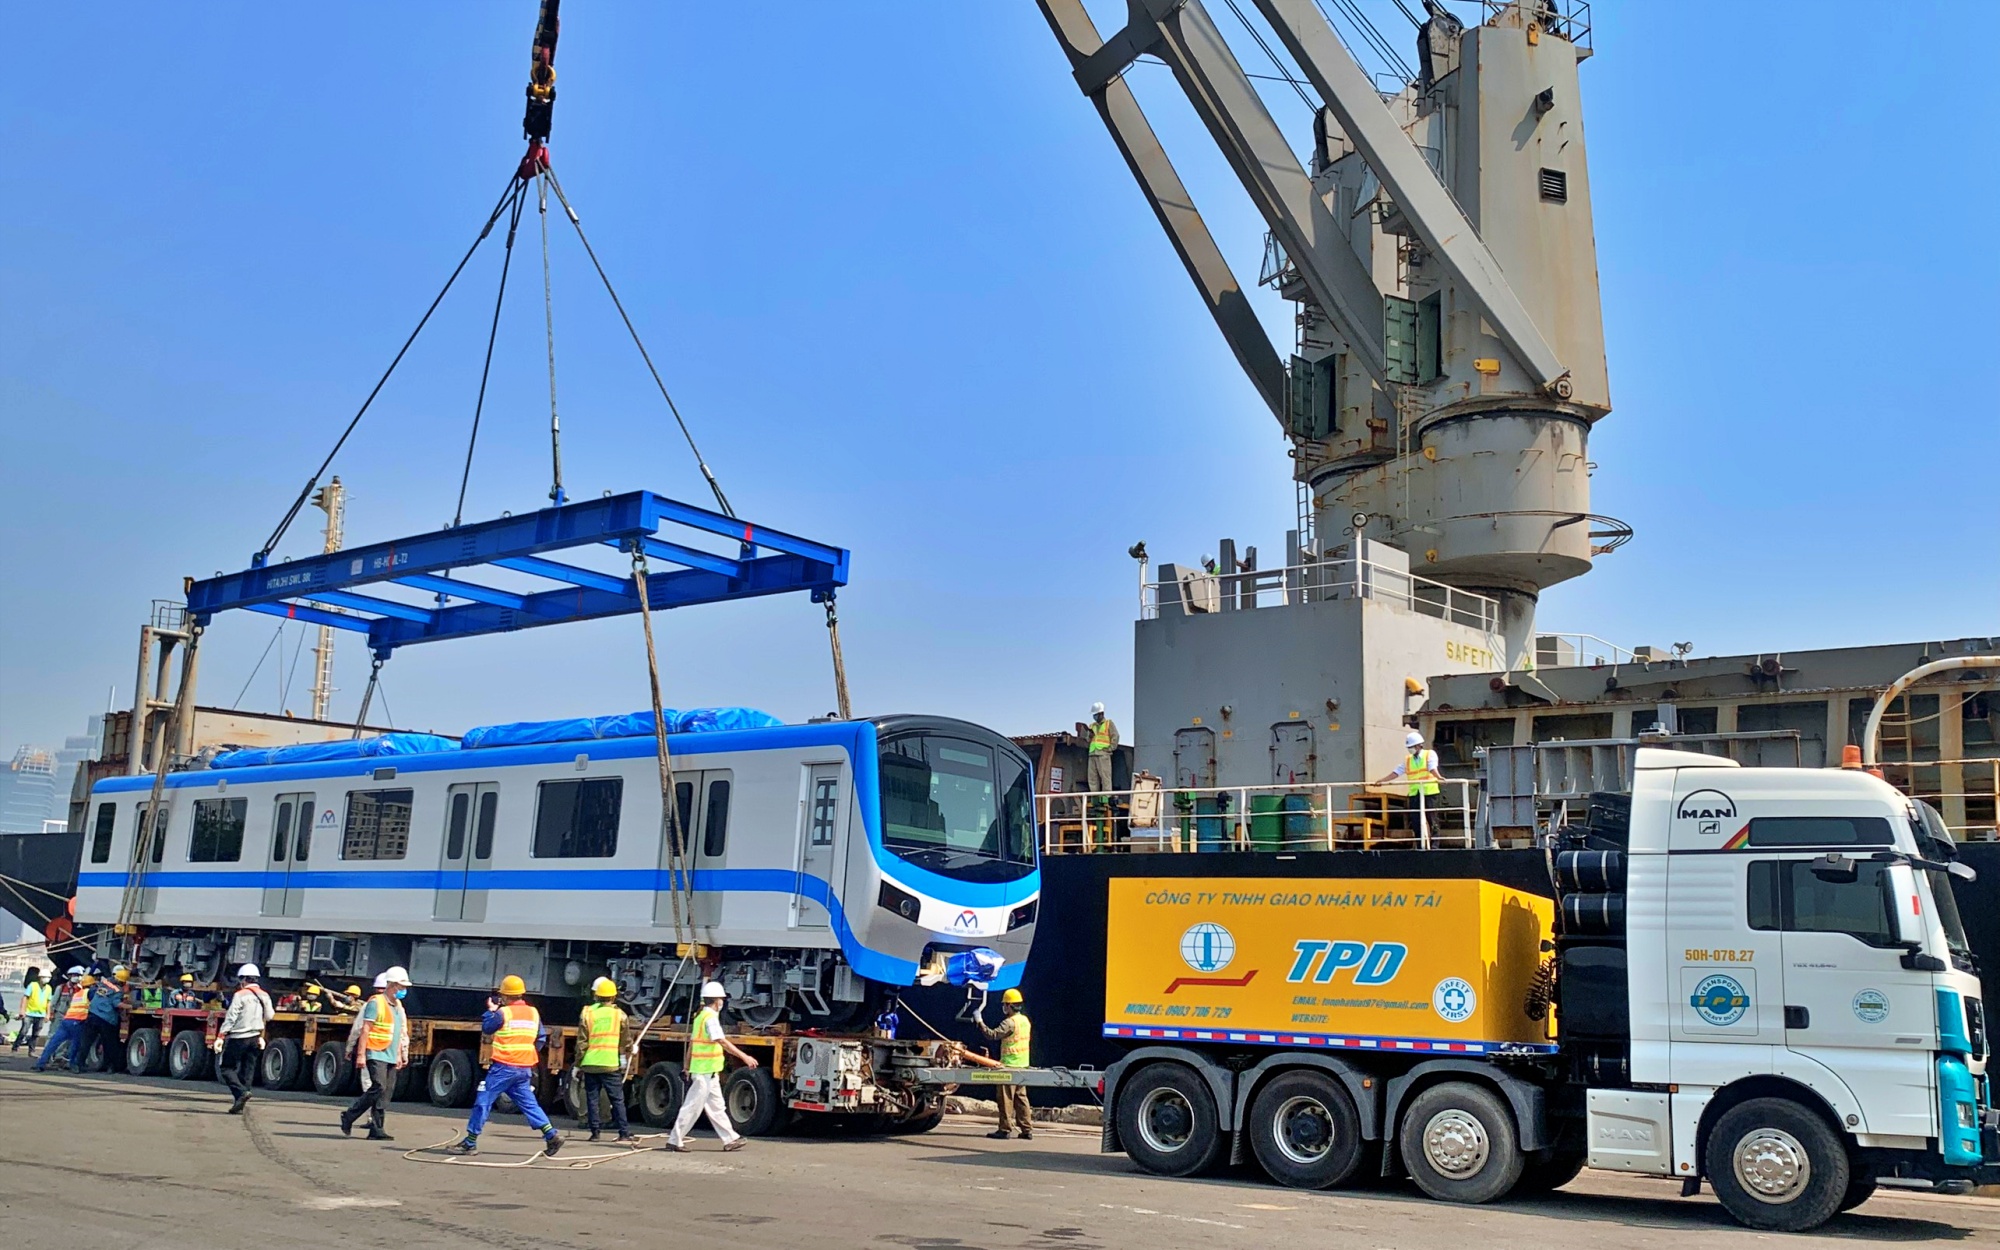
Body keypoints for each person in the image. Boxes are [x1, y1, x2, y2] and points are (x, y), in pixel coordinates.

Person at [451, 975, 563, 1157]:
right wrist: (527, 1053)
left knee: (483, 1101)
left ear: (504, 996)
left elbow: (487, 1028)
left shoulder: (504, 1013)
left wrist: (491, 1010)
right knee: (529, 1104)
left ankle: (470, 1143)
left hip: (504, 1067)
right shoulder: (533, 1013)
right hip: (524, 1067)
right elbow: (541, 1037)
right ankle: (551, 1135)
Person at [664, 981, 759, 1153]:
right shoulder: (710, 1019)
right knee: (692, 1107)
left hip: (708, 1071)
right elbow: (721, 1041)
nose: (722, 1002)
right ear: (717, 1001)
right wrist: (745, 1057)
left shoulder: (700, 1017)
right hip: (703, 1072)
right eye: (721, 999)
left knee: (717, 1108)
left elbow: (692, 1044)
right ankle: (675, 1140)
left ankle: (730, 1139)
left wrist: (686, 1066)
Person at [340, 966, 409, 1141]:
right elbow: (365, 1029)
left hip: (391, 1053)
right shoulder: (375, 1002)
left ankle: (377, 1129)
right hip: (376, 1051)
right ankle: (349, 1115)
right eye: (402, 987)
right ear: (392, 985)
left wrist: (401, 1054)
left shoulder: (397, 1005)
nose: (404, 991)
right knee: (379, 1086)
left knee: (386, 1092)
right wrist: (361, 1054)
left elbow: (399, 1031)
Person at [576, 977, 636, 1144]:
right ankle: (624, 1133)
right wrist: (631, 1050)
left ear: (597, 996)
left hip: (590, 1064)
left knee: (592, 1098)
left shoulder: (588, 1013)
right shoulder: (620, 1015)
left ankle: (595, 1133)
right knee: (617, 1099)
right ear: (614, 997)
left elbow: (581, 1042)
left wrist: (577, 1064)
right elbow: (626, 1039)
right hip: (610, 1064)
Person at [214, 963, 274, 1113]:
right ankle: (240, 1103)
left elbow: (231, 1017)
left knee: (227, 1068)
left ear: (244, 979)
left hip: (239, 1037)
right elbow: (270, 1016)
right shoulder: (264, 995)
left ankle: (241, 1093)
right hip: (255, 1038)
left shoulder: (240, 995)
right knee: (247, 1070)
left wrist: (221, 1036)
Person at [978, 988, 1034, 1140]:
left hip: (1009, 1065)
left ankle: (1004, 1129)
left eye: (1005, 1004)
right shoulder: (1025, 1021)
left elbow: (993, 1035)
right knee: (1021, 1099)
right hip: (1023, 1065)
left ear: (1009, 1005)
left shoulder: (1009, 1023)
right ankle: (1026, 1129)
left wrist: (979, 1022)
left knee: (1005, 1099)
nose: (1004, 1007)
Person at [1374, 729, 1442, 844]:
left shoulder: (1429, 754)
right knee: (1415, 821)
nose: (1410, 749)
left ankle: (1435, 845)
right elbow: (1397, 772)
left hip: (1430, 792)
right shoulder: (1408, 760)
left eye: (1412, 746)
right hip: (1415, 793)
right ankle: (1420, 845)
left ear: (1419, 745)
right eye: (1409, 747)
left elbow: (1432, 767)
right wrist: (1382, 781)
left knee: (1432, 820)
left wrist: (1439, 777)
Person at [34, 968, 91, 1073]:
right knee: (73, 1043)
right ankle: (72, 1064)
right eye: (75, 975)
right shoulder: (67, 989)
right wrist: (51, 1014)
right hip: (72, 1020)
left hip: (67, 1019)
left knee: (56, 1041)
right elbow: (54, 1002)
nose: (77, 977)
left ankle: (44, 1062)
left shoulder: (78, 992)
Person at [77, 965, 130, 1073]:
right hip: (106, 1019)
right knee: (109, 1044)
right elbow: (117, 1004)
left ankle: (79, 1064)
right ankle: (110, 1067)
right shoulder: (118, 990)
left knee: (86, 1042)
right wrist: (131, 1006)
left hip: (92, 1015)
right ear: (123, 981)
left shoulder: (104, 983)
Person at [13, 968, 51, 1053]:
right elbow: (25, 998)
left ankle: (32, 1050)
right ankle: (15, 1047)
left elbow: (48, 1002)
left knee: (36, 1034)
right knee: (23, 1031)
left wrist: (48, 1014)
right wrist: (22, 1010)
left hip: (41, 1014)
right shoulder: (32, 985)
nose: (46, 979)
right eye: (44, 977)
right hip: (29, 1013)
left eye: (48, 977)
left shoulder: (49, 988)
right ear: (40, 977)